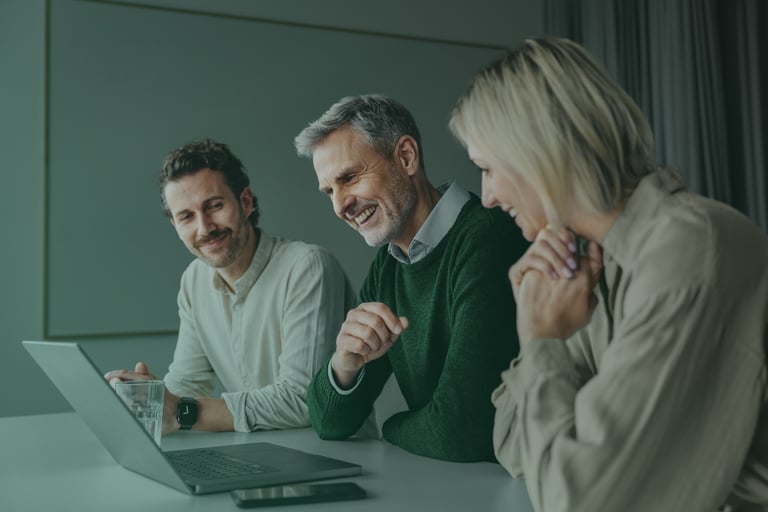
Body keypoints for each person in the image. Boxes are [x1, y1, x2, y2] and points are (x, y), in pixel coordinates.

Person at [449, 37, 768, 511]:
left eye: (487, 168)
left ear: (540, 152)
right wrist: (548, 335)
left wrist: (540, 339)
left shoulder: (689, 251)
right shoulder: (592, 262)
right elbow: (514, 442)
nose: (488, 197)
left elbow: (578, 500)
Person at [293, 94, 528, 462]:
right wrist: (344, 364)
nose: (340, 206)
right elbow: (328, 422)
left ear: (406, 157)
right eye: (329, 191)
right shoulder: (388, 267)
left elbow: (461, 433)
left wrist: (392, 426)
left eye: (350, 178)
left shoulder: (486, 238)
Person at [105, 139, 354, 434]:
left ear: (245, 202)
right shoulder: (193, 280)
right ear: (175, 226)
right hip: (263, 458)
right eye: (186, 217)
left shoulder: (308, 267)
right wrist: (147, 398)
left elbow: (302, 401)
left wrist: (180, 411)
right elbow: (188, 384)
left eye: (214, 206)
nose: (204, 228)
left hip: (334, 458)